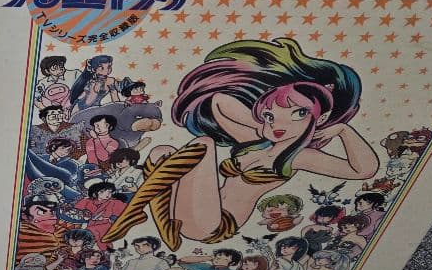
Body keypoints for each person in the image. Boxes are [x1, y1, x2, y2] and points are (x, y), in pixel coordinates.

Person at [102, 38, 379, 250]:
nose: (279, 124)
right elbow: (219, 101)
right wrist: (262, 122)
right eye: (270, 115)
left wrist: (343, 131)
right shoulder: (256, 140)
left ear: (322, 117)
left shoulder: (298, 155)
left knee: (205, 144)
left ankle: (135, 212)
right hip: (189, 208)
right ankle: (159, 218)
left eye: (298, 114)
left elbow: (363, 170)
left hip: (214, 224)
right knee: (162, 151)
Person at [72, 181, 126, 248]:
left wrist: (111, 218)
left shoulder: (113, 202)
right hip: (90, 224)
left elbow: (124, 212)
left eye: (110, 192)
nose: (109, 194)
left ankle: (105, 249)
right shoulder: (87, 201)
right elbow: (75, 210)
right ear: (97, 192)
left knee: (93, 232)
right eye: (107, 191)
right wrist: (84, 214)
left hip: (106, 225)